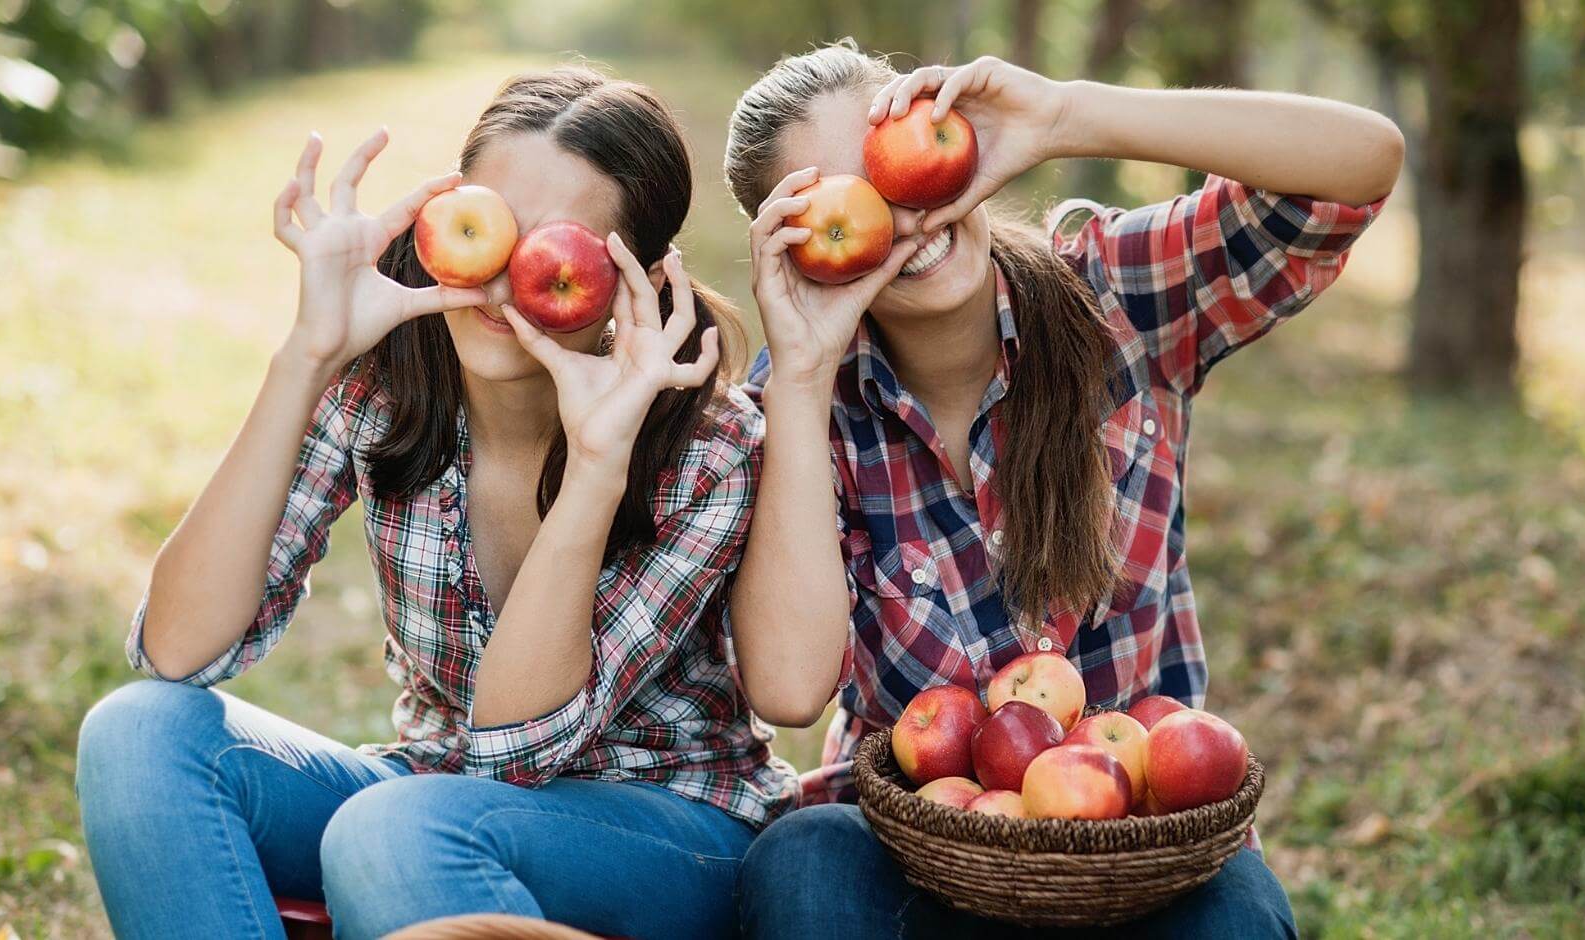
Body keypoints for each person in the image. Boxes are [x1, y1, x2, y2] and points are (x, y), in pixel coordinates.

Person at [75, 67, 792, 940]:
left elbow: (520, 748)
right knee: (139, 735)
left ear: (637, 278)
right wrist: (309, 355)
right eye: (487, 227)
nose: (503, 280)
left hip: (668, 832)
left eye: (554, 243)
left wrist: (599, 461)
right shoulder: (385, 385)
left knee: (400, 828)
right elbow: (177, 648)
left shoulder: (709, 445)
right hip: (432, 795)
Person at [722, 43, 1402, 938]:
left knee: (1239, 911)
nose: (909, 217)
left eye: (909, 162)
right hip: (925, 856)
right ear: (800, 247)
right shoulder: (798, 405)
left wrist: (1067, 118)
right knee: (802, 863)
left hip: (1138, 852)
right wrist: (803, 382)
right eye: (853, 203)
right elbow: (788, 688)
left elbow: (1358, 172)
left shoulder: (1113, 296)